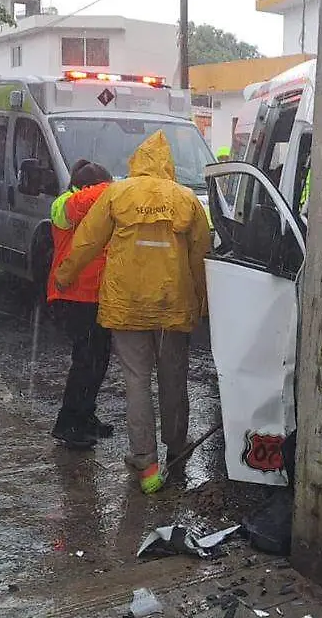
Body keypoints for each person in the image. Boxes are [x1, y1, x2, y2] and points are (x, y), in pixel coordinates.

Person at [55, 131, 211, 494]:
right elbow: (201, 255)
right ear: (168, 165)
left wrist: (65, 275)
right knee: (174, 379)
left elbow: (88, 240)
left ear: (137, 163)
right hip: (173, 304)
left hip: (126, 304)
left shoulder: (117, 194)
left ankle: (146, 460)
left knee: (137, 380)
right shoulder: (186, 199)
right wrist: (204, 302)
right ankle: (176, 449)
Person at [48, 160, 115, 448]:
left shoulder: (95, 206)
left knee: (98, 361)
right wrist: (116, 190)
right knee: (85, 362)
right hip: (74, 295)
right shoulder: (64, 204)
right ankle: (68, 423)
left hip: (96, 296)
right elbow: (83, 202)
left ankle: (86, 415)